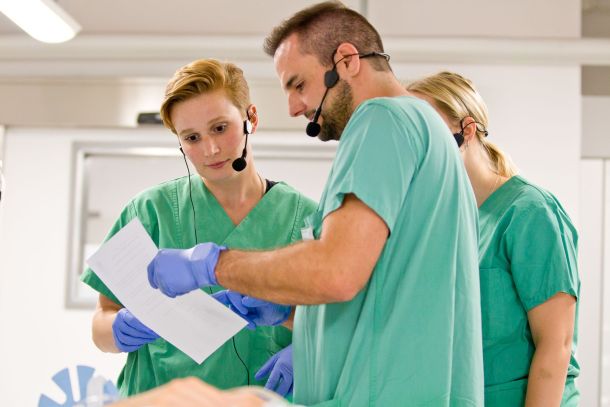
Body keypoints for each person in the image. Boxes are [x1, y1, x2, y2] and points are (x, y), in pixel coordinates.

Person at [146, 2, 484, 406]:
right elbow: (385, 289)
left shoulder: (380, 120)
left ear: (346, 61)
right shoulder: (426, 128)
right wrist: (293, 313)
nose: (293, 107)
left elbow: (336, 272)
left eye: (299, 85)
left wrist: (210, 265)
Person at [81, 58, 317, 397]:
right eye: (192, 137)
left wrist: (308, 350)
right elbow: (101, 321)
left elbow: (343, 324)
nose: (210, 149)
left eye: (220, 128)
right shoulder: (150, 212)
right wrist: (119, 329)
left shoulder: (307, 219)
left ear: (251, 118)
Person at [407, 71, 580, 406]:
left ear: (467, 130)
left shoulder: (530, 211)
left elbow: (555, 346)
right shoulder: (451, 220)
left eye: (426, 129)